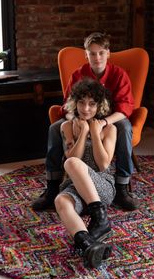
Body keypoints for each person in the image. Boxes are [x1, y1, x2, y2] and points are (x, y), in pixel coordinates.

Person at [32, 31, 139, 212]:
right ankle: (52, 186)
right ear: (86, 54)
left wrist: (103, 123)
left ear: (108, 53)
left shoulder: (119, 74)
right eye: (92, 53)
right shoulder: (77, 74)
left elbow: (125, 108)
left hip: (109, 119)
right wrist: (75, 121)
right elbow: (67, 105)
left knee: (125, 128)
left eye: (101, 53)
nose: (97, 57)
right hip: (80, 116)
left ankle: (121, 187)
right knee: (53, 128)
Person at [55, 78, 116, 268]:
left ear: (99, 106)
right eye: (81, 102)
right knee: (60, 200)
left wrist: (95, 134)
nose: (86, 109)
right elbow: (73, 157)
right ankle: (88, 245)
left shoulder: (110, 129)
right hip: (77, 186)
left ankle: (100, 216)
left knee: (73, 163)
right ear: (75, 103)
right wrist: (83, 132)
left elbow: (103, 164)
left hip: (102, 187)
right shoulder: (66, 127)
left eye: (91, 104)